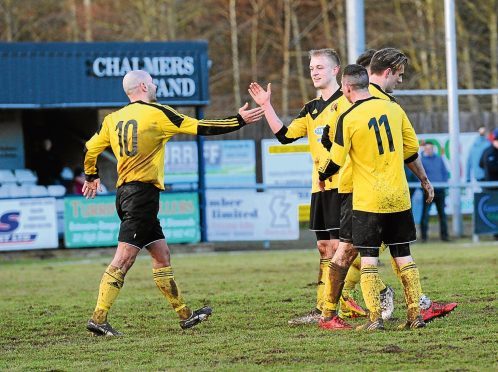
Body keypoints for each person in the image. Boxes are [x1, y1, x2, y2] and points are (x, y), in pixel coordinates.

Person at [83, 70, 264, 336]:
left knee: (161, 253)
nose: (156, 85)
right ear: (144, 86)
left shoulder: (112, 119)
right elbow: (200, 126)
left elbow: (90, 148)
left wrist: (91, 175)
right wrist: (238, 120)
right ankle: (98, 317)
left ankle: (185, 315)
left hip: (125, 195)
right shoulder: (158, 113)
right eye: (153, 82)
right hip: (141, 197)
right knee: (123, 259)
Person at [319, 48, 457, 327]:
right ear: (387, 72)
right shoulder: (388, 107)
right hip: (363, 191)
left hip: (365, 192)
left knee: (362, 253)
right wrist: (424, 179)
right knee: (363, 250)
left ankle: (339, 312)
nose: (401, 81)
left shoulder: (355, 106)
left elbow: (329, 143)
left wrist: (325, 174)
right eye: (400, 75)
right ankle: (332, 310)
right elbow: (410, 150)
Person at [248, 49, 366, 327]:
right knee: (325, 247)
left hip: (345, 185)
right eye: (312, 67)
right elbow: (285, 136)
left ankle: (347, 302)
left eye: (320, 67)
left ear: (336, 70)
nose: (314, 72)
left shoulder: (349, 102)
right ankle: (322, 306)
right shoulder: (311, 108)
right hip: (320, 187)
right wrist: (266, 105)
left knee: (342, 247)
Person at [420, 142, 450, 242]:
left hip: (440, 190)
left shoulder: (439, 159)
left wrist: (443, 182)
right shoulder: (421, 161)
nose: (429, 150)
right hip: (428, 192)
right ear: (424, 149)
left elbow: (445, 173)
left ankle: (445, 236)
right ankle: (424, 237)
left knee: (442, 215)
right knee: (425, 215)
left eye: (431, 148)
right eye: (427, 148)